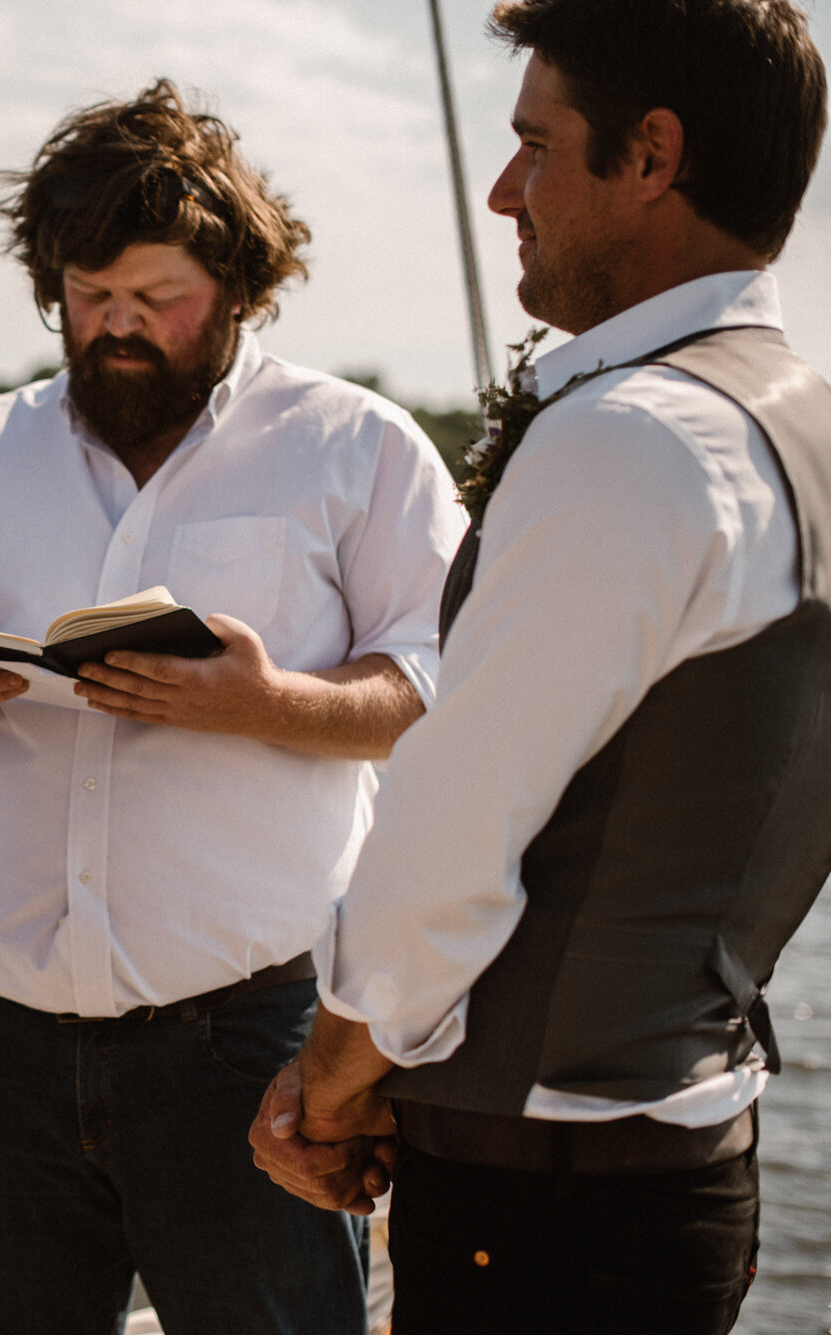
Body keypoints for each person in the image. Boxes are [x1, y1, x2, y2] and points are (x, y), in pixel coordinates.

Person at [0, 80, 466, 1334]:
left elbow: (438, 694)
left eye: (156, 300)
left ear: (236, 288)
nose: (116, 328)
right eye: (87, 298)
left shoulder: (362, 449)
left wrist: (263, 701)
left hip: (250, 1043)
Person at [249, 3, 830, 1332]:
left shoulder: (636, 438)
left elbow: (449, 839)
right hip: (689, 1152)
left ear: (653, 154)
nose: (506, 189)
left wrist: (334, 1080)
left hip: (546, 1208)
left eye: (537, 144)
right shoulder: (802, 424)